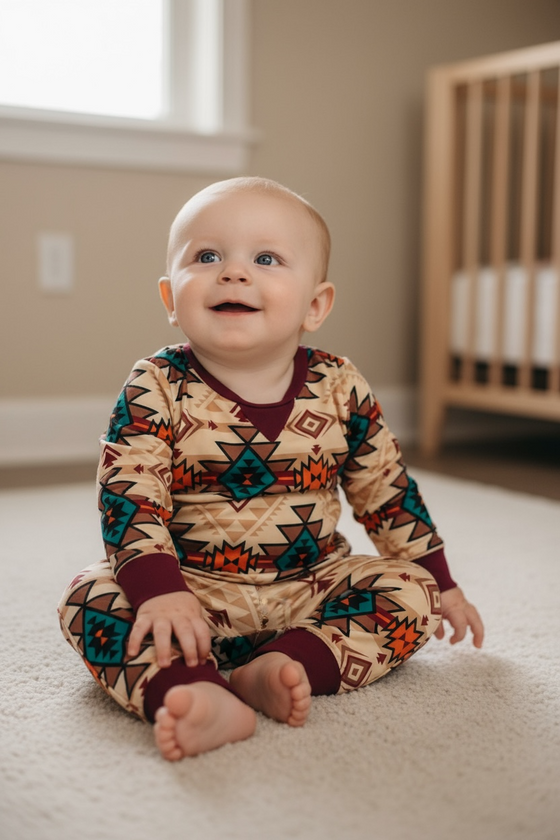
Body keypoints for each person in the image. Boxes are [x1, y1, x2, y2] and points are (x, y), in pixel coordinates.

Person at [58, 176, 484, 761]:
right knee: (91, 596)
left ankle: (286, 663)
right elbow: (129, 492)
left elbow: (385, 490)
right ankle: (192, 691)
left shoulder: (339, 386)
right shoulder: (157, 385)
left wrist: (443, 578)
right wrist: (159, 592)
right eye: (207, 256)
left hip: (311, 586)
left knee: (413, 594)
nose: (234, 272)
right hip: (191, 593)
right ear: (170, 299)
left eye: (266, 258)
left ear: (315, 305)